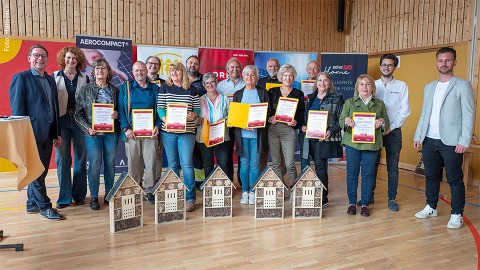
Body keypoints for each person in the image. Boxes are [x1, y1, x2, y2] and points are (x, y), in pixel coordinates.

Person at [413, 47, 475, 229]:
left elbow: (469, 114)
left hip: (452, 141)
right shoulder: (429, 87)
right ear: (436, 62)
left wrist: (464, 140)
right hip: (429, 139)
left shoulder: (463, 85)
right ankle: (431, 206)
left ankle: (457, 214)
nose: (444, 64)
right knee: (431, 176)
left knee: (455, 179)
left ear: (454, 62)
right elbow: (425, 113)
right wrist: (419, 135)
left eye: (448, 60)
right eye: (440, 60)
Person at [9, 44, 63, 220]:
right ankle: (45, 207)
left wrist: (57, 133)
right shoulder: (21, 78)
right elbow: (17, 110)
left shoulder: (49, 79)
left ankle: (32, 203)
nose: (40, 59)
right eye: (36, 55)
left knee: (42, 171)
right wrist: (21, 135)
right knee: (37, 172)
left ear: (47, 59)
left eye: (43, 56)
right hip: (31, 133)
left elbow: (54, 108)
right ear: (29, 58)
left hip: (48, 132)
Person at [339, 74, 389, 217]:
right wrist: (347, 119)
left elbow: (387, 121)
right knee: (352, 174)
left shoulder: (379, 104)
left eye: (368, 84)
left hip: (371, 145)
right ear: (357, 87)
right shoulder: (349, 102)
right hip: (353, 144)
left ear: (372, 87)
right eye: (361, 84)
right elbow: (341, 120)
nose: (365, 87)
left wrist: (381, 121)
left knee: (368, 174)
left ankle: (365, 204)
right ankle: (352, 203)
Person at [75, 59, 120, 210]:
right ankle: (94, 196)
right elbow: (78, 114)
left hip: (111, 134)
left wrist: (117, 114)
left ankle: (109, 193)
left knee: (110, 164)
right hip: (92, 134)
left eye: (103, 68)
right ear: (93, 72)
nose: (100, 70)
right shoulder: (85, 89)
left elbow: (122, 111)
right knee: (94, 165)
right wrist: (87, 128)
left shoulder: (115, 90)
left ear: (108, 72)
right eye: (97, 68)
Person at [367, 54, 410, 211]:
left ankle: (392, 198)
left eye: (390, 65)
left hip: (394, 132)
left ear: (394, 67)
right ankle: (368, 196)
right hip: (374, 132)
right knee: (372, 166)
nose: (386, 67)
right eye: (384, 65)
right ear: (380, 66)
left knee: (393, 168)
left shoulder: (402, 86)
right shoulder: (372, 85)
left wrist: (390, 128)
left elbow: (404, 111)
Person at [157, 62, 200, 212]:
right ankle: (173, 195)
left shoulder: (192, 89)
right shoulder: (165, 87)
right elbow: (160, 108)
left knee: (187, 164)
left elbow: (197, 110)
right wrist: (166, 120)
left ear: (183, 72)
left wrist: (193, 114)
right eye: (172, 71)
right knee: (173, 164)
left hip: (187, 132)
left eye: (177, 71)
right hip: (168, 132)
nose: (174, 73)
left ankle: (190, 197)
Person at [52, 47, 89, 209]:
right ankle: (65, 198)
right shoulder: (54, 77)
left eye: (74, 58)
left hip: (80, 121)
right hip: (62, 122)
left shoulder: (85, 78)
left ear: (78, 60)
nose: (71, 61)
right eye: (68, 58)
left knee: (80, 158)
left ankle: (79, 195)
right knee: (62, 159)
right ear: (63, 59)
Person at [119, 61, 160, 205]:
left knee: (150, 162)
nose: (139, 73)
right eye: (136, 70)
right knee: (133, 163)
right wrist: (126, 129)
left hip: (150, 133)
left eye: (142, 70)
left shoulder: (154, 88)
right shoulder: (126, 87)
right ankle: (135, 189)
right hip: (132, 133)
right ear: (132, 72)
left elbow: (160, 108)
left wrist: (157, 125)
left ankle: (149, 190)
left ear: (146, 71)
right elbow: (121, 110)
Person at [302, 72, 344, 208]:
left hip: (325, 139)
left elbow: (341, 120)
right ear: (316, 82)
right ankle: (319, 194)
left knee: (320, 166)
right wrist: (304, 126)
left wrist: (331, 131)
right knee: (318, 166)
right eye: (320, 80)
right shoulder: (310, 98)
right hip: (311, 138)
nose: (322, 83)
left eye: (325, 80)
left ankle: (323, 197)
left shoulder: (337, 98)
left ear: (330, 83)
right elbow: (305, 117)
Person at [233, 65, 271, 205]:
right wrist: (242, 123)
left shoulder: (262, 92)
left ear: (256, 77)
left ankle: (253, 192)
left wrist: (255, 123)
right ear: (243, 77)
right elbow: (235, 115)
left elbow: (267, 112)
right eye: (247, 75)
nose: (250, 77)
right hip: (242, 135)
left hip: (257, 135)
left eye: (253, 75)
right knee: (244, 164)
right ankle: (245, 191)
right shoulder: (238, 94)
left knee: (255, 164)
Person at [267, 64, 304, 188]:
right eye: (285, 75)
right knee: (276, 163)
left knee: (290, 164)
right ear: (281, 77)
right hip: (273, 129)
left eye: (290, 75)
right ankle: (280, 189)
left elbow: (301, 113)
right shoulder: (272, 92)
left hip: (289, 131)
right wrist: (269, 118)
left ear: (293, 78)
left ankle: (295, 189)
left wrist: (295, 121)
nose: (288, 78)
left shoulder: (298, 93)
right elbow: (267, 110)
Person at [196, 72, 231, 179]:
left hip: (221, 136)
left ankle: (224, 188)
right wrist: (199, 120)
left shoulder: (225, 99)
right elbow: (194, 119)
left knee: (224, 163)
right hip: (204, 137)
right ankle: (209, 189)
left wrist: (224, 120)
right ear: (204, 85)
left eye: (212, 82)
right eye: (207, 83)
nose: (210, 85)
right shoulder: (199, 100)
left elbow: (231, 117)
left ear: (216, 82)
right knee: (207, 164)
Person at [216, 57, 246, 185]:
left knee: (242, 155)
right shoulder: (220, 86)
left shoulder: (246, 83)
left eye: (237, 67)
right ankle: (228, 183)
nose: (235, 69)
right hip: (225, 126)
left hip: (242, 125)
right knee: (225, 156)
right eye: (232, 67)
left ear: (240, 69)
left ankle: (241, 181)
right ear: (227, 70)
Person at [185, 55, 206, 189]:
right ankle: (187, 182)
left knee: (199, 153)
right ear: (186, 64)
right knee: (186, 154)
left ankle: (200, 182)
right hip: (184, 125)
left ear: (199, 66)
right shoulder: (180, 79)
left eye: (196, 63)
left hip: (201, 123)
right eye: (190, 63)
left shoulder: (204, 80)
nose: (193, 65)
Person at [145, 56, 165, 182]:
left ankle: (156, 181)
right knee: (142, 155)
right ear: (146, 65)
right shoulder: (139, 80)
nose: (153, 66)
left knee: (157, 153)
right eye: (150, 63)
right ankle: (140, 182)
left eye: (156, 64)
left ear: (159, 67)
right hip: (141, 123)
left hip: (159, 123)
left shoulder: (165, 84)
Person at [299, 60, 322, 171]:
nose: (312, 71)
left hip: (319, 127)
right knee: (305, 156)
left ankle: (322, 183)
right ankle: (304, 180)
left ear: (319, 70)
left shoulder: (324, 85)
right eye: (309, 69)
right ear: (306, 71)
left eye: (315, 68)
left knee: (320, 158)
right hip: (305, 126)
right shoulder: (300, 87)